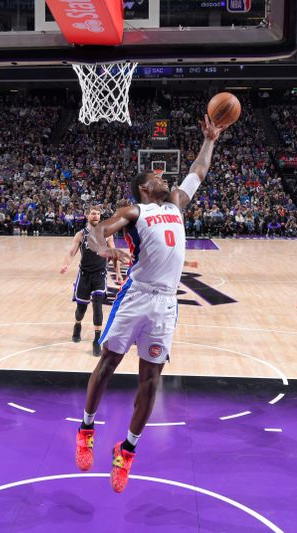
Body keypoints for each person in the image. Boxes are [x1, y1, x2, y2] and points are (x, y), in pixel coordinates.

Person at [74, 115, 225, 493]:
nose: (165, 179)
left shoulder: (176, 204)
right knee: (108, 362)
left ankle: (126, 451)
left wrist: (209, 140)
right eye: (156, 177)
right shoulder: (133, 212)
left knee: (151, 379)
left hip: (165, 305)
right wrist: (102, 246)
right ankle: (86, 429)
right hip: (137, 296)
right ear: (144, 188)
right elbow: (97, 231)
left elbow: (198, 172)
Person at [60, 206, 122, 356]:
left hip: (100, 274)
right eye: (93, 213)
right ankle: (77, 325)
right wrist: (66, 264)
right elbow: (72, 252)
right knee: (81, 309)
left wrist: (118, 273)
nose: (96, 216)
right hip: (84, 275)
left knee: (98, 305)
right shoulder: (81, 234)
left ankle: (97, 340)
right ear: (87, 215)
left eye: (98, 213)